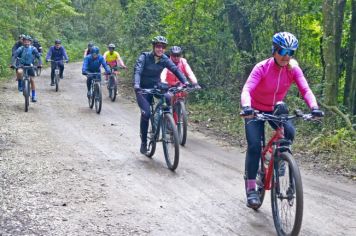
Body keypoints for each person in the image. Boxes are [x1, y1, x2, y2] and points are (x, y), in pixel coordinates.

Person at [240, 32, 324, 208]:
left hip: (275, 109)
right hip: (254, 110)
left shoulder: (293, 69)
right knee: (255, 146)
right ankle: (251, 189)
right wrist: (247, 107)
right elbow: (247, 89)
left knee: (290, 131)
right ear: (274, 50)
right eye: (283, 51)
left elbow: (305, 89)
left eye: (291, 52)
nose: (287, 56)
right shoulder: (262, 67)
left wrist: (314, 108)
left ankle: (279, 159)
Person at [133, 36, 189, 154]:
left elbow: (175, 69)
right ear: (154, 47)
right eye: (158, 46)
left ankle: (165, 119)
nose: (161, 49)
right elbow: (138, 71)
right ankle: (143, 142)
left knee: (168, 97)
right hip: (142, 89)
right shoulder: (144, 57)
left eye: (163, 47)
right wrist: (137, 85)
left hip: (156, 86)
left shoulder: (164, 59)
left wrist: (185, 81)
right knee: (146, 113)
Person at [11, 35, 42, 102]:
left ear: (30, 42)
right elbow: (14, 56)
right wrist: (12, 64)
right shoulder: (20, 48)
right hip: (21, 65)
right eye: (25, 41)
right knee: (19, 72)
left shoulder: (33, 48)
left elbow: (38, 57)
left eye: (28, 42)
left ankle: (33, 96)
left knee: (32, 80)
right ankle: (20, 84)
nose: (26, 43)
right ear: (23, 42)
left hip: (30, 65)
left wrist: (40, 64)